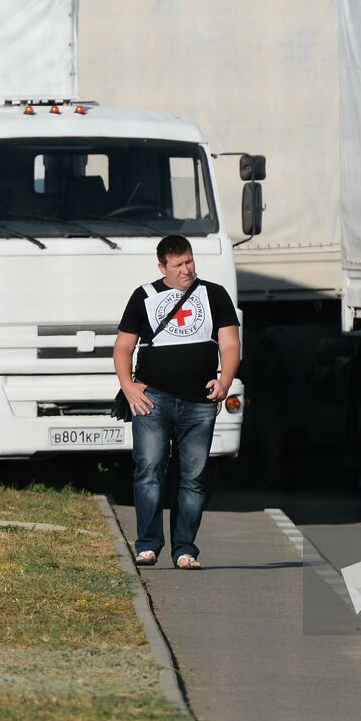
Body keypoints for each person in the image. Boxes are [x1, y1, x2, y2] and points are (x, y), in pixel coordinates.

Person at [114, 234, 240, 569]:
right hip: (153, 400)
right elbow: (123, 347)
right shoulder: (144, 296)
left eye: (189, 261)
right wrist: (129, 387)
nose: (186, 270)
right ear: (162, 267)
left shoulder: (213, 294)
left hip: (199, 403)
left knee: (194, 477)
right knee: (150, 470)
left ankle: (185, 548)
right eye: (178, 264)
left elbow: (229, 343)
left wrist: (225, 379)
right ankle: (148, 545)